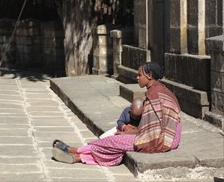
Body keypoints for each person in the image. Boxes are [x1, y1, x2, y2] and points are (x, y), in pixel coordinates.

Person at [52, 61, 182, 166]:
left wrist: (129, 133)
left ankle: (74, 150)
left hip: (163, 140)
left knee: (114, 141)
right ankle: (78, 157)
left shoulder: (154, 96)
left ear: (149, 76)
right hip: (166, 137)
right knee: (116, 146)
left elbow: (151, 131)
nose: (137, 78)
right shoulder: (160, 90)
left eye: (140, 75)